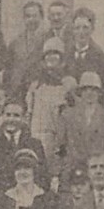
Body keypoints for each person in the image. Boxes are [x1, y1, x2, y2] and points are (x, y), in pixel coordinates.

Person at [57, 72, 104, 187]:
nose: (89, 93)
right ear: (80, 92)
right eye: (85, 89)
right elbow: (59, 146)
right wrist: (57, 172)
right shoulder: (67, 115)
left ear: (99, 93)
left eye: (93, 89)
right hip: (73, 170)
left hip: (97, 170)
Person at [25, 37, 76, 178]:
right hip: (38, 134)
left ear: (62, 59)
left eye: (55, 53)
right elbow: (29, 112)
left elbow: (72, 113)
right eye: (48, 54)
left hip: (58, 137)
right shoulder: (36, 85)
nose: (51, 57)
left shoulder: (68, 84)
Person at [0, 99, 49, 199]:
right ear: (2, 116)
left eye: (16, 115)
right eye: (8, 115)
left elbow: (43, 178)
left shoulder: (35, 145)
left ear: (24, 118)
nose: (11, 119)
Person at [4, 1, 48, 96]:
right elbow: (8, 70)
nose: (31, 19)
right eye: (28, 16)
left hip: (39, 91)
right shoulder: (15, 42)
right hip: (16, 92)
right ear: (24, 19)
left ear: (41, 17)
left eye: (34, 16)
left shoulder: (48, 40)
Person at [64, 7, 104, 83]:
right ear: (72, 30)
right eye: (77, 28)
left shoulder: (99, 56)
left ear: (92, 29)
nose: (81, 32)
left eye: (85, 28)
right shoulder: (66, 53)